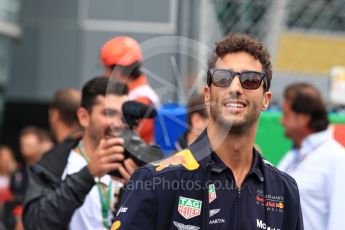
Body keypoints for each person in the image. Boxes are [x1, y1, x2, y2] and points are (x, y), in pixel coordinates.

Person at [111, 33, 303, 229]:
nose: (235, 87)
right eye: (222, 78)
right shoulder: (156, 180)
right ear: (207, 95)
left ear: (266, 100)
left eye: (250, 80)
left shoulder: (284, 190)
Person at [23, 77, 138, 230]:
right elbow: (36, 224)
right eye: (108, 114)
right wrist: (88, 174)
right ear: (84, 117)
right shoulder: (52, 165)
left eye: (123, 116)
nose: (117, 123)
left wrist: (137, 192)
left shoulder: (137, 166)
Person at [278, 83, 345, 230]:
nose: (281, 121)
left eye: (286, 114)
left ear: (303, 118)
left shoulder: (337, 158)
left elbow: (340, 221)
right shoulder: (293, 154)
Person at [100, 36, 160, 143]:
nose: (104, 74)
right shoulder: (139, 93)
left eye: (106, 69)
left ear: (117, 71)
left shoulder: (139, 101)